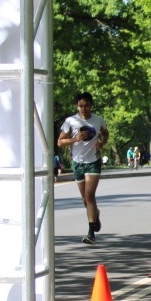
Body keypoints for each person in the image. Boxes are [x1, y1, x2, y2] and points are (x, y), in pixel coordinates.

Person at [57, 92, 108, 245]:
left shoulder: (98, 120)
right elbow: (60, 142)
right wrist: (75, 139)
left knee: (89, 195)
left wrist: (102, 142)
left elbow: (105, 134)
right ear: (77, 106)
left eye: (86, 105)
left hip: (93, 161)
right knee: (86, 200)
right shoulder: (70, 121)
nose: (83, 109)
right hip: (77, 163)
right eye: (80, 106)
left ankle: (91, 234)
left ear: (91, 106)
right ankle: (95, 214)